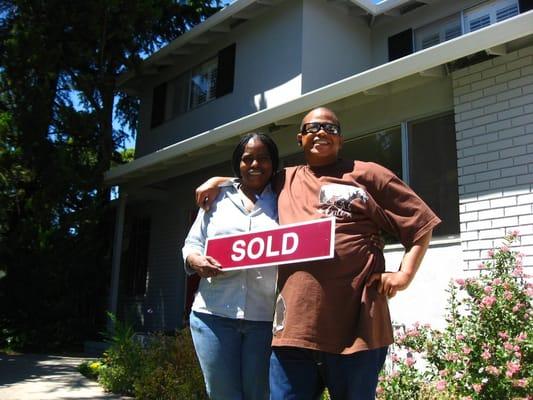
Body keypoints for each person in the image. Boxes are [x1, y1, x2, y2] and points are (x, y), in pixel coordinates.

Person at [196, 107, 441, 400]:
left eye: (330, 128)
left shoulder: (370, 175)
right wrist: (220, 182)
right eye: (311, 128)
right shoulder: (284, 179)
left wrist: (405, 274)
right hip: (293, 332)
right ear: (300, 139)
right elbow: (253, 173)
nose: (321, 132)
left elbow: (420, 224)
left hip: (357, 330)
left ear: (341, 139)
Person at [182, 132, 280, 400]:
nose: (255, 165)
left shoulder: (283, 199)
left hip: (263, 320)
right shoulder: (217, 200)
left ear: (274, 163)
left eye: (263, 158)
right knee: (223, 395)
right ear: (238, 163)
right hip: (213, 315)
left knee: (259, 395)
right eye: (247, 159)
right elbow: (191, 245)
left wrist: (217, 179)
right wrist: (197, 261)